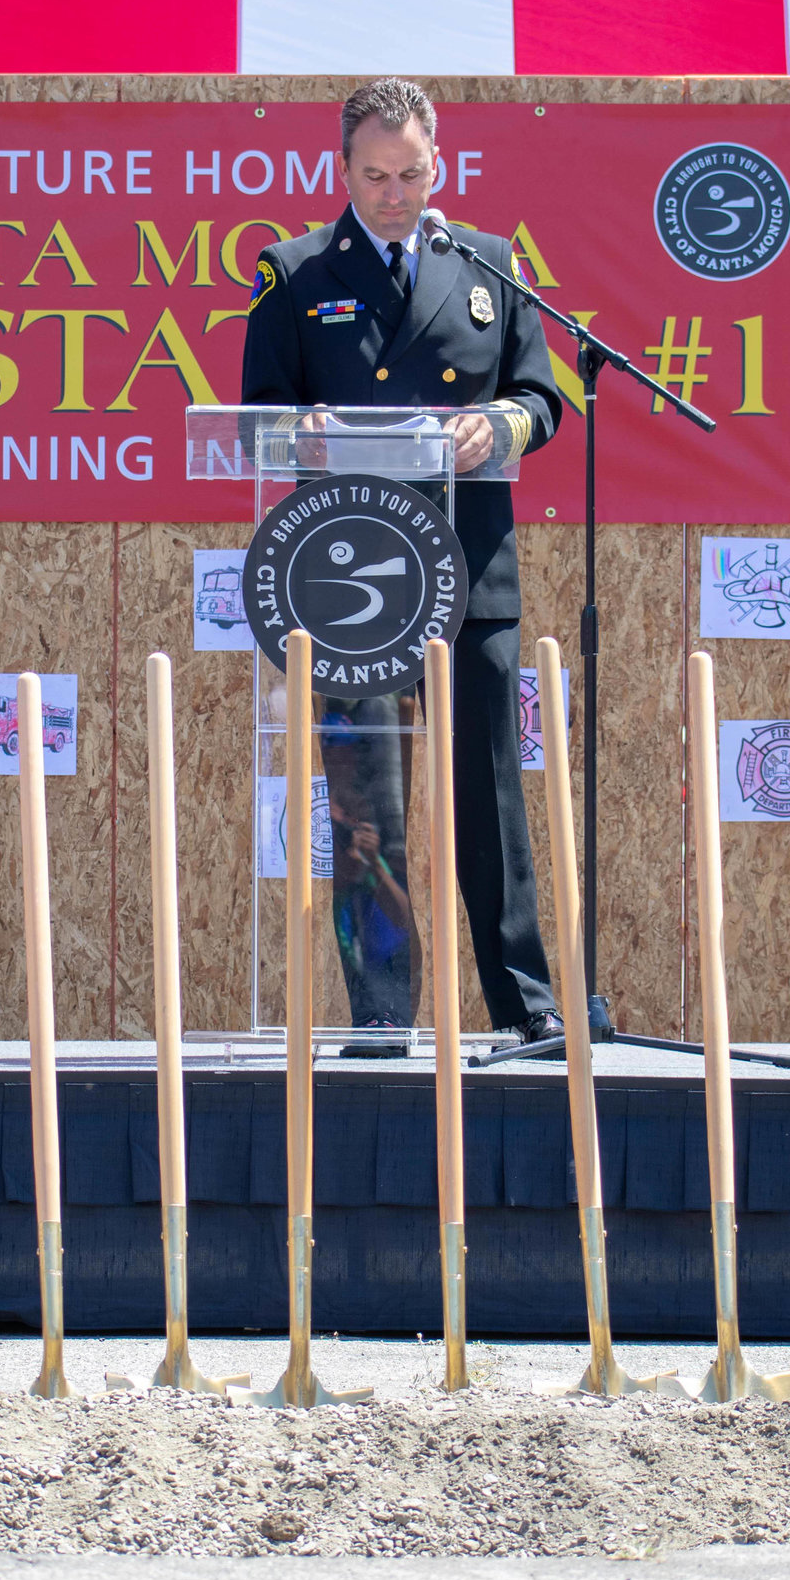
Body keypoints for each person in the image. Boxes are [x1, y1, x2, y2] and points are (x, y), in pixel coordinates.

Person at [240, 76, 564, 1056]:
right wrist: (309, 432)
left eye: (410, 172)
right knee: (368, 809)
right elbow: (259, 420)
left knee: (489, 796)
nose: (393, 192)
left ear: (439, 162)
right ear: (342, 169)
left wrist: (495, 421)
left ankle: (524, 1004)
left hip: (471, 573)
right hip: (351, 585)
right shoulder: (292, 273)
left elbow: (539, 398)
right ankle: (381, 1012)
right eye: (375, 175)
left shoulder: (488, 264)